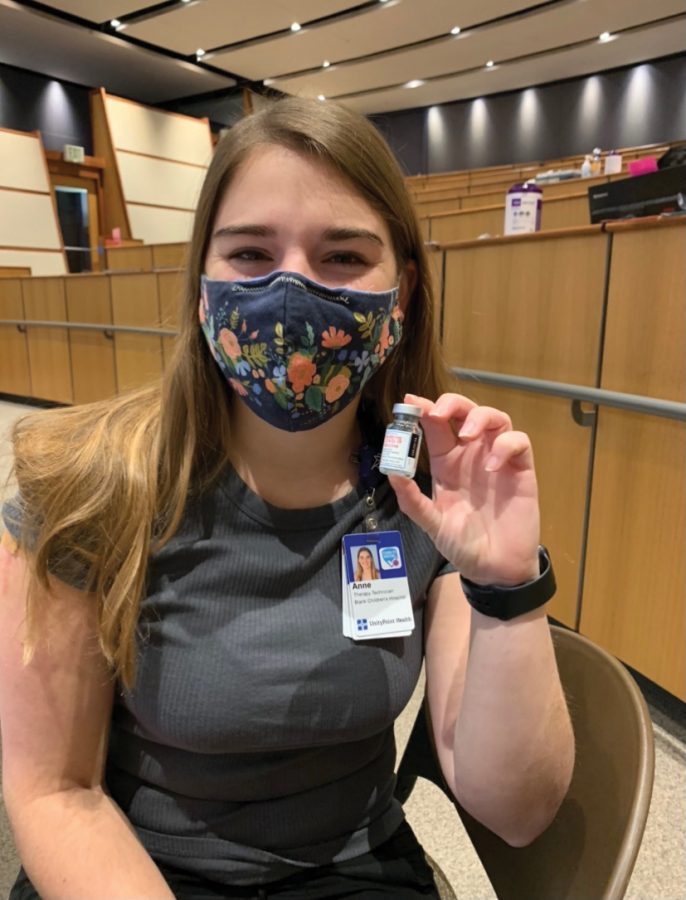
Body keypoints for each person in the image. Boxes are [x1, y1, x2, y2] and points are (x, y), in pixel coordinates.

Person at [0, 97, 574, 899]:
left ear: (401, 292)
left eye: (342, 256)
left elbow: (514, 809)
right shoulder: (83, 485)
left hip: (355, 872)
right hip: (133, 866)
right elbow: (55, 791)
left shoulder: (430, 492)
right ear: (201, 285)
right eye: (249, 253)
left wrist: (506, 588)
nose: (292, 289)